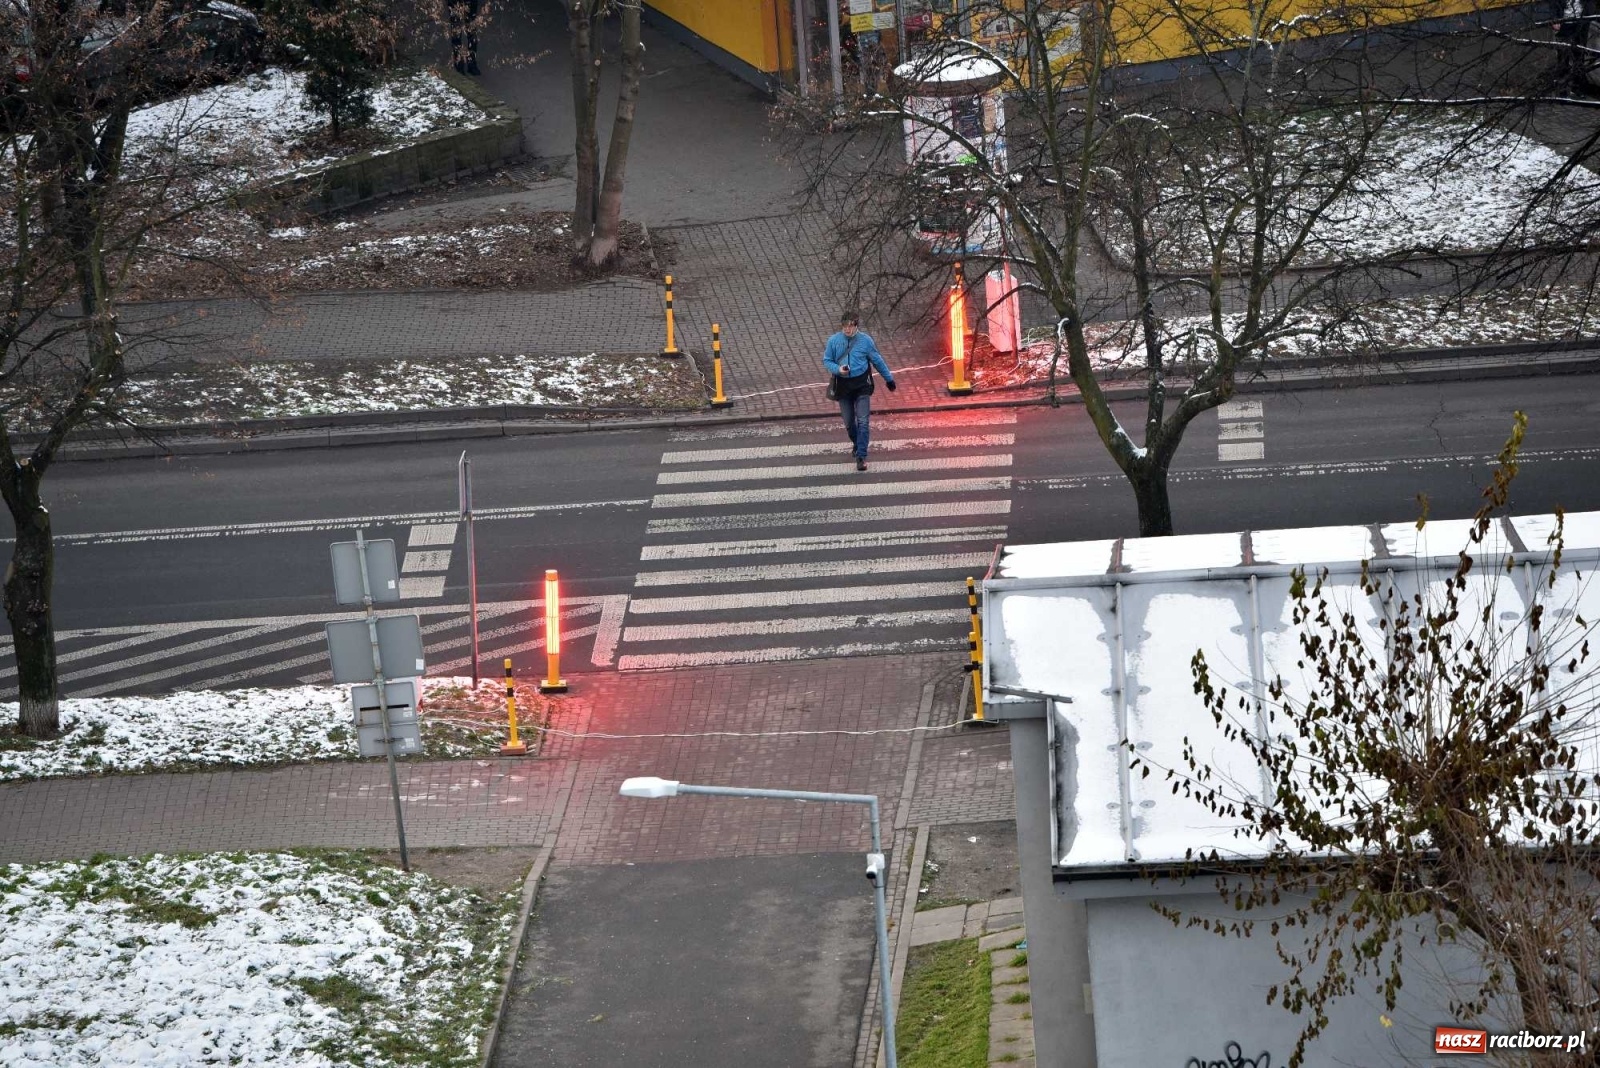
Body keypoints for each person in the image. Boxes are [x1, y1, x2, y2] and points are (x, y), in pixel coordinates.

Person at [823, 311, 896, 471]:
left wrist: (889, 379)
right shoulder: (834, 341)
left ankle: (861, 456)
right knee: (849, 423)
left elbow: (877, 360)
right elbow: (827, 360)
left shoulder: (865, 341)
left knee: (863, 421)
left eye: (850, 326)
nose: (847, 330)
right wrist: (837, 369)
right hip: (843, 386)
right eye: (844, 326)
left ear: (856, 326)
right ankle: (857, 443)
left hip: (861, 385)